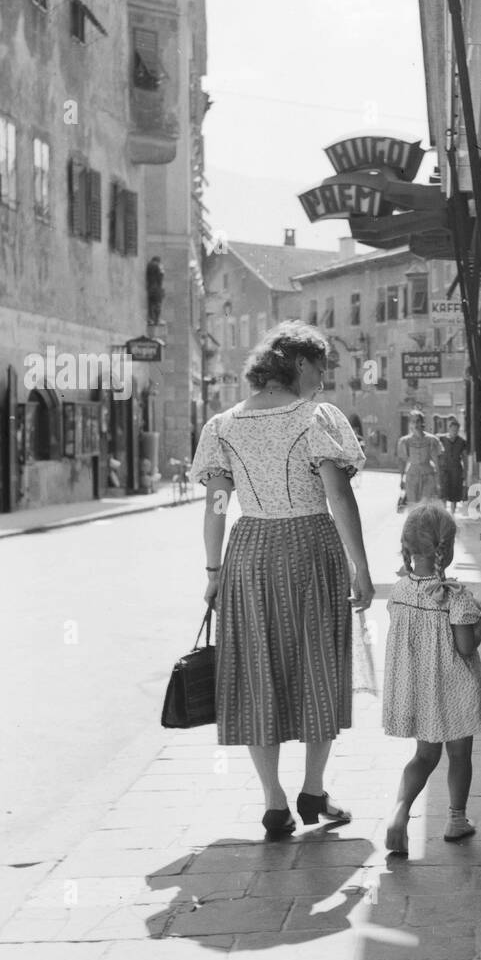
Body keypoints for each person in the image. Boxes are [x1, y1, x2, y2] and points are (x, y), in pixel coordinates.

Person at [190, 320, 374, 839]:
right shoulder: (316, 418)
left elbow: (217, 506)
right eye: (321, 366)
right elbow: (339, 497)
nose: (324, 377)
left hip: (249, 551)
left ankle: (274, 802)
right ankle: (313, 789)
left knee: (256, 670)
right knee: (319, 663)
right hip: (311, 547)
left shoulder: (221, 426)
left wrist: (213, 572)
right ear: (298, 364)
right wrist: (361, 567)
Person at [382, 503, 481, 857]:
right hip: (453, 690)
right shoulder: (454, 597)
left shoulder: (399, 590)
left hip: (417, 689)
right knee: (459, 756)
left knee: (423, 756)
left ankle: (400, 812)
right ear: (447, 547)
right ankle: (456, 820)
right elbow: (464, 647)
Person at [396, 412, 443, 506]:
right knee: (412, 505)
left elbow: (437, 461)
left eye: (418, 421)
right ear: (410, 424)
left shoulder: (431, 440)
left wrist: (438, 480)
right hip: (412, 476)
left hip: (428, 475)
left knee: (425, 504)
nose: (416, 424)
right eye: (413, 421)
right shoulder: (405, 441)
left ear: (422, 423)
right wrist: (402, 479)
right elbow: (402, 461)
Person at [439, 418, 468, 513]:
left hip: (456, 469)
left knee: (454, 493)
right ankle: (444, 513)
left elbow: (464, 457)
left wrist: (465, 472)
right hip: (444, 469)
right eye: (452, 429)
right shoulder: (442, 439)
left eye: (456, 430)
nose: (454, 432)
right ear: (449, 429)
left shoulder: (462, 442)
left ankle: (452, 514)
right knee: (444, 492)